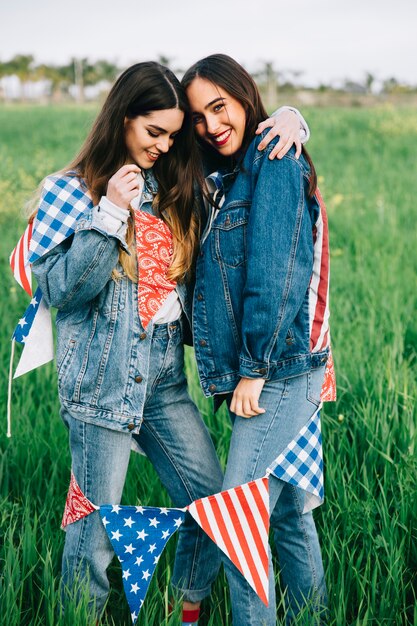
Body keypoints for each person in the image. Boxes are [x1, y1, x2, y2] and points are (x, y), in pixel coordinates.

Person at [27, 60, 306, 626]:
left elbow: (236, 146)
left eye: (173, 135)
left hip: (163, 383)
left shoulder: (172, 181)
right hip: (101, 387)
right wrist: (108, 214)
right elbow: (61, 291)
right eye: (154, 132)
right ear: (122, 120)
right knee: (95, 530)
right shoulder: (71, 192)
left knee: (210, 504)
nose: (164, 145)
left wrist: (292, 118)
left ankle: (188, 606)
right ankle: (79, 616)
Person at [183, 54, 333, 625]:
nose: (211, 124)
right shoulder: (224, 175)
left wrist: (254, 368)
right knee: (290, 509)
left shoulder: (273, 162)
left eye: (219, 107)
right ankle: (312, 615)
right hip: (288, 362)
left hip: (278, 368)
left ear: (245, 99)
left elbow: (277, 274)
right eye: (198, 115)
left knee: (236, 521)